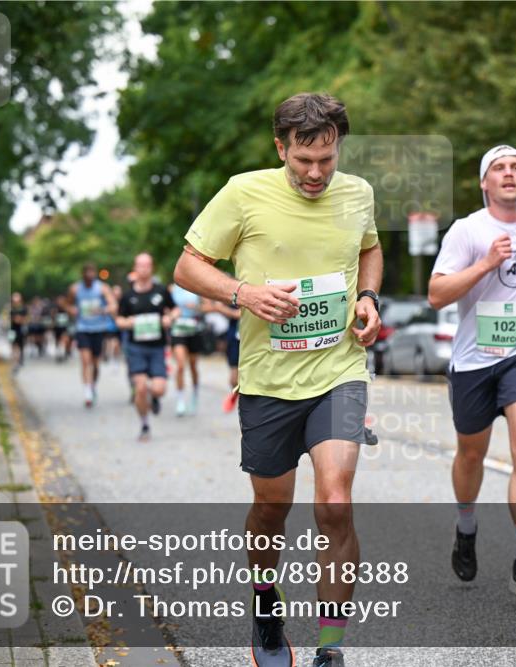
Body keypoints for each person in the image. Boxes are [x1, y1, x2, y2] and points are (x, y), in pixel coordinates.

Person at [174, 93, 382, 667]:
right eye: (303, 161)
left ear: (338, 147)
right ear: (280, 148)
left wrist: (368, 297)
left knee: (335, 504)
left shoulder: (358, 193)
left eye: (327, 159)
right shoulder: (244, 192)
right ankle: (266, 604)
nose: (316, 173)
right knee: (272, 509)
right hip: (267, 380)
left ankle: (330, 650)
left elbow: (370, 247)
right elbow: (188, 266)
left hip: (339, 371)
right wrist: (245, 294)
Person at [427, 145, 516, 605]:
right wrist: (486, 263)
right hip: (473, 360)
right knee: (471, 455)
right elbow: (436, 294)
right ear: (484, 183)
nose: (509, 174)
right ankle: (466, 525)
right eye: (499, 169)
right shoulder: (467, 231)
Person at [116, 253, 177, 441]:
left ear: (152, 268)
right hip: (136, 347)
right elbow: (119, 320)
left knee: (159, 389)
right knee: (140, 388)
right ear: (135, 268)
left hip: (157, 347)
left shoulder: (160, 291)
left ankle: (155, 397)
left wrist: (170, 318)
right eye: (140, 265)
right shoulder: (128, 296)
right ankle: (144, 424)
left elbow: (175, 309)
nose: (144, 269)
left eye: (147, 265)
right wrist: (129, 323)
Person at [67, 263, 117, 408]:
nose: (89, 278)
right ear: (83, 275)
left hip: (99, 328)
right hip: (82, 328)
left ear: (94, 275)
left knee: (95, 364)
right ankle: (87, 391)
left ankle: (93, 385)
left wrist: (104, 309)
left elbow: (113, 304)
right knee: (85, 360)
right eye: (86, 275)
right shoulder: (75, 289)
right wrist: (72, 310)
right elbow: (67, 304)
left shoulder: (102, 288)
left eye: (92, 275)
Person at [169, 282, 208, 416]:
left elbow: (208, 307)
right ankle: (180, 400)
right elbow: (166, 308)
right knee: (180, 365)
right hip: (178, 329)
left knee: (193, 365)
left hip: (193, 328)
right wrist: (171, 313)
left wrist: (196, 307)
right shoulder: (172, 288)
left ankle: (194, 394)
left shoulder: (196, 287)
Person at [9, 292, 28, 371]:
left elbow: (25, 319)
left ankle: (20, 359)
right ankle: (15, 361)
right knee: (13, 345)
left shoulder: (23, 309)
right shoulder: (10, 309)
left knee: (21, 344)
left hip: (20, 329)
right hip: (12, 330)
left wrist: (20, 320)